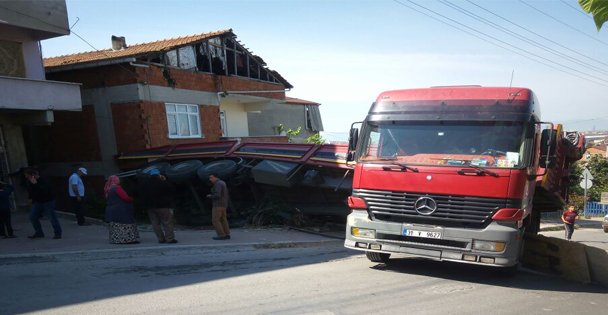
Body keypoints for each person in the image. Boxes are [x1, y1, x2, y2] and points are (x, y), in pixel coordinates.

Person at [137, 168, 177, 243]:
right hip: (163, 206)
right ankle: (170, 239)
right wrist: (165, 180)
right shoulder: (162, 182)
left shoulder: (144, 183)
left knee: (155, 223)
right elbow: (171, 189)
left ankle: (161, 239)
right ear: (159, 174)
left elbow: (141, 194)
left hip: (150, 207)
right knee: (167, 222)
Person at [24, 169, 62, 239]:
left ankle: (58, 233)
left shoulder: (44, 180)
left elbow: (45, 192)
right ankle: (39, 233)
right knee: (33, 217)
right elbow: (31, 191)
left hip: (48, 201)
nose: (27, 178)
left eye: (28, 176)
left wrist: (35, 184)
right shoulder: (29, 182)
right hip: (38, 202)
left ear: (33, 176)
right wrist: (30, 199)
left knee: (52, 217)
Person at [104, 175, 139, 244]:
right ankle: (127, 239)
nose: (119, 180)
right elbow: (125, 198)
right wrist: (131, 199)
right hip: (120, 209)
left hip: (111, 210)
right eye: (118, 179)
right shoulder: (117, 188)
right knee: (125, 224)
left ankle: (116, 239)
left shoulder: (107, 189)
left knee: (115, 225)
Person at [207, 173, 230, 240]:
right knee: (223, 219)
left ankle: (221, 235)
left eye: (211, 177)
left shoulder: (218, 184)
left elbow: (217, 195)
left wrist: (210, 196)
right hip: (223, 204)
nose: (210, 179)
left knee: (215, 220)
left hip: (217, 205)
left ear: (216, 177)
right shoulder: (222, 182)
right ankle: (227, 234)